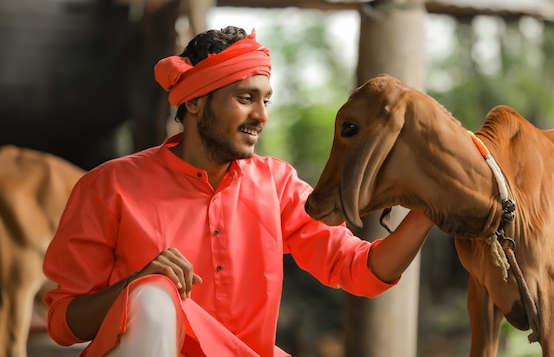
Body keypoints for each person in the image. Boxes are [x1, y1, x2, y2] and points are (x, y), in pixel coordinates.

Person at [43, 26, 434, 357]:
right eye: (245, 99)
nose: (261, 116)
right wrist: (135, 285)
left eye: (265, 100)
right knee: (153, 295)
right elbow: (64, 324)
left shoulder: (276, 184)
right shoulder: (108, 187)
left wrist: (429, 209)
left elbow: (359, 270)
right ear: (195, 101)